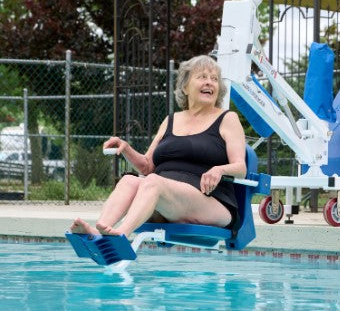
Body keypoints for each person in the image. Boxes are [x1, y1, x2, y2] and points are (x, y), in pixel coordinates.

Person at [70, 55, 246, 237]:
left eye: (214, 79)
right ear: (185, 87)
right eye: (202, 77)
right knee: (129, 180)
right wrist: (126, 148)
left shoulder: (227, 118)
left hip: (210, 200)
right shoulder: (170, 120)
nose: (209, 83)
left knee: (153, 182)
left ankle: (121, 235)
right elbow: (147, 166)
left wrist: (219, 170)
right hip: (165, 200)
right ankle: (99, 231)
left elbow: (241, 168)